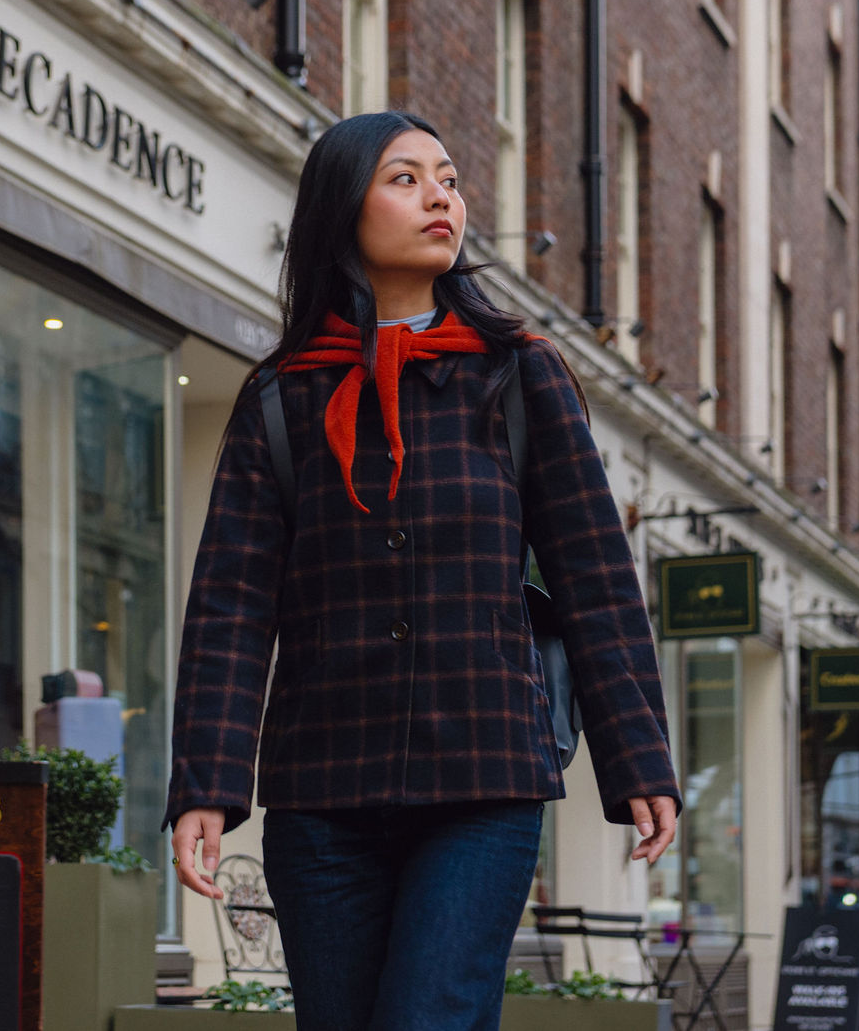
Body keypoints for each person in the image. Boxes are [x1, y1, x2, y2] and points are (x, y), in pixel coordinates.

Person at [165, 112, 682, 1031]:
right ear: (342, 208)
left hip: (483, 783)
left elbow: (596, 579)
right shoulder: (280, 397)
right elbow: (231, 606)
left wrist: (637, 756)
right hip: (321, 793)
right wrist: (208, 780)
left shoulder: (520, 376)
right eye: (405, 178)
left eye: (447, 178)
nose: (441, 196)